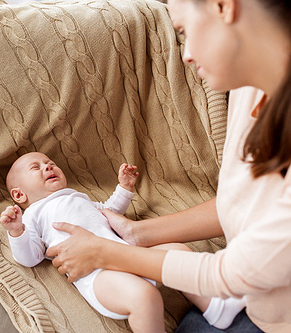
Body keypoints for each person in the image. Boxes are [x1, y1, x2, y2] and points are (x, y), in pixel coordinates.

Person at [44, 0, 291, 332]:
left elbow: (229, 273)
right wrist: (137, 233)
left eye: (184, 30)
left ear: (223, 7)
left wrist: (105, 254)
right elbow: (248, 203)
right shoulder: (251, 82)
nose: (186, 54)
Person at [0, 152, 246, 332]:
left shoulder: (78, 197)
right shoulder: (33, 214)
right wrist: (16, 231)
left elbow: (111, 213)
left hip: (127, 254)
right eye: (37, 167)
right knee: (145, 297)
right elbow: (30, 257)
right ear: (20, 194)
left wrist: (124, 188)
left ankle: (216, 307)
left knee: (179, 252)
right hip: (99, 276)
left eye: (50, 163)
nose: (48, 167)